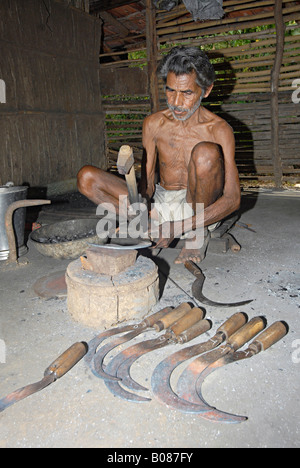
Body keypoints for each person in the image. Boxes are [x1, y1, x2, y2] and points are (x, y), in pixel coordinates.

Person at [77, 46, 241, 263]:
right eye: (170, 90)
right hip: (162, 203)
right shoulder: (153, 124)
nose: (176, 102)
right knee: (86, 178)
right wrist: (143, 206)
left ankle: (196, 233)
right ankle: (148, 224)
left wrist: (181, 225)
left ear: (207, 90)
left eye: (187, 93)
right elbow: (148, 184)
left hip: (200, 210)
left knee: (205, 153)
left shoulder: (219, 130)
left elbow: (233, 198)